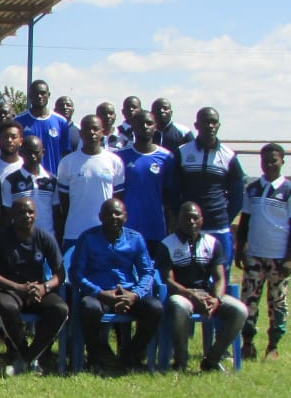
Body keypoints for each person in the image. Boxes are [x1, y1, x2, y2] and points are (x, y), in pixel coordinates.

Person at [69, 197, 163, 371]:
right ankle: (97, 354)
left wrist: (134, 295)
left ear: (125, 217)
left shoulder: (136, 239)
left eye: (117, 213)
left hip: (128, 294)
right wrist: (99, 293)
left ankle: (131, 354)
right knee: (88, 307)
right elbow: (76, 273)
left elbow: (147, 272)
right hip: (99, 294)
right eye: (108, 213)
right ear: (100, 216)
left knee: (155, 308)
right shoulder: (88, 238)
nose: (113, 217)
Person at [158, 201, 248, 373]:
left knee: (240, 310)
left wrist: (216, 298)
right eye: (187, 218)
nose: (191, 222)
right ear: (178, 220)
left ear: (202, 220)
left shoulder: (212, 243)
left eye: (195, 218)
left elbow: (220, 277)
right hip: (181, 294)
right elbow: (168, 281)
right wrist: (191, 295)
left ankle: (212, 360)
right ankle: (180, 361)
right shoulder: (167, 244)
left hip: (207, 295)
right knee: (179, 307)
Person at [0, 196, 67, 376]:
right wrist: (18, 287)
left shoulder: (44, 237)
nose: (27, 215)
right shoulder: (1, 237)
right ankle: (26, 354)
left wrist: (44, 288)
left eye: (30, 212)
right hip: (9, 289)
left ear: (36, 215)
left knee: (60, 309)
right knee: (6, 307)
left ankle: (27, 357)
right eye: (21, 212)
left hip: (37, 290)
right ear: (13, 214)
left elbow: (60, 274)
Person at [235, 143, 291, 360]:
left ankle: (273, 345)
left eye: (273, 160)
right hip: (255, 255)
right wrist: (241, 249)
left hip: (278, 257)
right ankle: (248, 343)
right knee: (249, 300)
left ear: (282, 162)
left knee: (277, 302)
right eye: (265, 160)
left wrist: (288, 259)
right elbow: (245, 221)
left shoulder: (287, 190)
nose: (269, 164)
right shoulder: (253, 189)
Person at [174, 106, 245, 269]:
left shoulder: (228, 156)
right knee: (189, 275)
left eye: (214, 122)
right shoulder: (183, 153)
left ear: (218, 125)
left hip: (218, 227)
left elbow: (237, 194)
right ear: (197, 125)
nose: (210, 126)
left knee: (221, 275)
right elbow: (174, 191)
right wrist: (180, 218)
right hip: (189, 228)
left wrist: (225, 217)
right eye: (206, 122)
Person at [55, 114, 125, 249]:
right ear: (80, 133)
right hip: (75, 232)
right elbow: (64, 201)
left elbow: (117, 198)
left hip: (105, 232)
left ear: (102, 132)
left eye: (95, 129)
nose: (91, 132)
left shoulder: (114, 161)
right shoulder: (67, 162)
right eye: (87, 129)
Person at [116, 108, 174, 259]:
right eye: (141, 123)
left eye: (149, 123)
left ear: (155, 127)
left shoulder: (166, 158)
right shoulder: (120, 157)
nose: (145, 127)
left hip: (155, 227)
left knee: (154, 273)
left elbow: (169, 198)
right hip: (127, 227)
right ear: (133, 126)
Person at [1, 134, 56, 235]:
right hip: (19, 240)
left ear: (43, 152)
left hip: (47, 238)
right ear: (21, 153)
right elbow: (7, 215)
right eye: (28, 153)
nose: (33, 156)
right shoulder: (10, 181)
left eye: (36, 152)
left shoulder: (52, 180)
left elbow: (57, 213)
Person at [15, 79, 72, 173]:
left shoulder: (61, 122)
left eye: (43, 93)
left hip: (53, 178)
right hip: (25, 178)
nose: (39, 96)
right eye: (36, 93)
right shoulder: (19, 121)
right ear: (29, 95)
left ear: (49, 95)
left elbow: (65, 154)